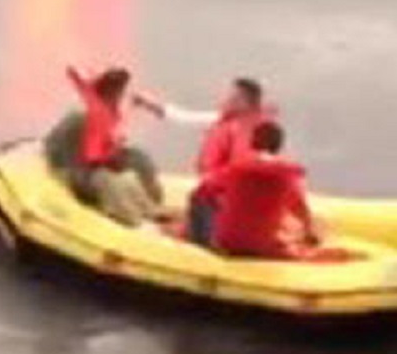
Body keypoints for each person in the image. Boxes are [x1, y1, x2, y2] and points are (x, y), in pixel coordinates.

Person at [133, 78, 277, 245]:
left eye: (232, 98)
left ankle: (196, 234)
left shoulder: (256, 133)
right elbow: (184, 118)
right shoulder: (228, 122)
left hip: (225, 201)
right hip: (228, 200)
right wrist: (149, 104)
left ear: (245, 103)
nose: (225, 101)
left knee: (201, 207)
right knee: (200, 205)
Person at [211, 122, 351, 262]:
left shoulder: (236, 167)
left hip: (228, 242)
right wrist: (310, 235)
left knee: (281, 227)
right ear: (279, 146)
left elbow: (208, 192)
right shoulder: (285, 175)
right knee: (336, 252)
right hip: (261, 247)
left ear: (252, 142)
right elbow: (301, 211)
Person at [43, 65, 162, 227]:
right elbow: (73, 159)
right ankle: (131, 221)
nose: (118, 95)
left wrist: (114, 152)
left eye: (119, 89)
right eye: (115, 90)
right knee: (110, 181)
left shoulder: (108, 113)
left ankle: (151, 210)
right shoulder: (82, 117)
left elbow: (108, 145)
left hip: (96, 163)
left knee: (135, 167)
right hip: (76, 169)